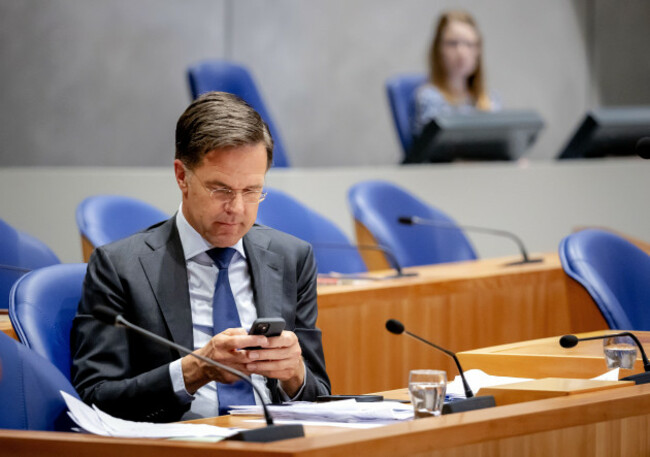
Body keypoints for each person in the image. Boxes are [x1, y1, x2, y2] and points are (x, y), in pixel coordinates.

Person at [71, 92, 331, 422]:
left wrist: (295, 374)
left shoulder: (291, 257)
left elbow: (321, 395)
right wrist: (196, 369)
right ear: (182, 176)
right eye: (220, 189)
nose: (237, 209)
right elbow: (95, 399)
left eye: (251, 191)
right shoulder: (120, 267)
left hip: (276, 441)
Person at [412, 10, 501, 138]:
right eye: (452, 43)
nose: (461, 52)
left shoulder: (491, 100)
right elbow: (432, 148)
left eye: (469, 45)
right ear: (438, 50)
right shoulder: (429, 99)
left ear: (478, 52)